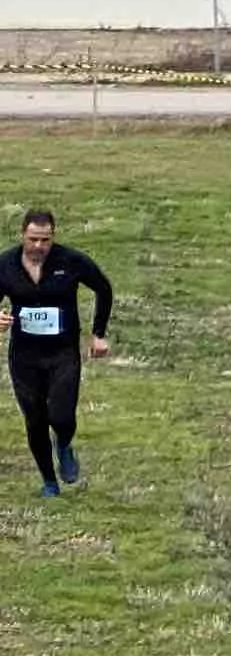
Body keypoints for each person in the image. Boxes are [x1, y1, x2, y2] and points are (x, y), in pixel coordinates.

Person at [5, 206, 114, 496]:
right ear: (22, 236)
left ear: (53, 237)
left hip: (62, 352)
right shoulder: (6, 265)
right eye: (33, 240)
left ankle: (63, 443)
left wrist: (98, 334)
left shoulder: (70, 260)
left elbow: (103, 288)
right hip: (24, 356)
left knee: (62, 416)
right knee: (35, 419)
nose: (39, 246)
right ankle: (49, 482)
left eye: (45, 240)